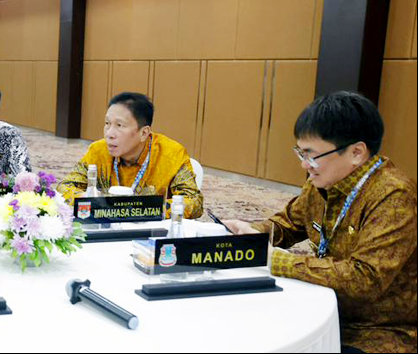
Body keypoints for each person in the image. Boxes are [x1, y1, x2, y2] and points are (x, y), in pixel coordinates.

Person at [223, 92, 416, 354]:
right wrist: (252, 234)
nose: (305, 165)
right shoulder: (322, 182)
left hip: (375, 330)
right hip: (321, 303)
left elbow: (365, 278)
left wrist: (276, 260)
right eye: (300, 153)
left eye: (311, 155)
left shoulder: (394, 196)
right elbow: (289, 223)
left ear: (356, 152)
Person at [59, 92, 203, 218]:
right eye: (107, 123)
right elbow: (65, 187)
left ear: (144, 133)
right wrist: (93, 201)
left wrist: (142, 209)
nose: (109, 134)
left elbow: (194, 202)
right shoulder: (98, 151)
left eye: (119, 125)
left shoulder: (171, 155)